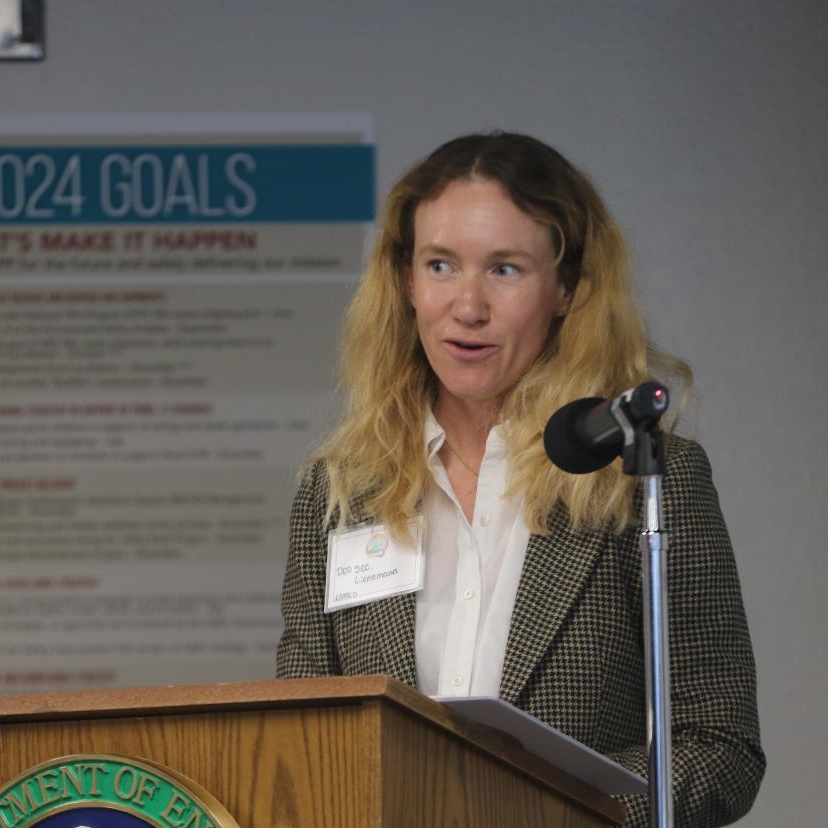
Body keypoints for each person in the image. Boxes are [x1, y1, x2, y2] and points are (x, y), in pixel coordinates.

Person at [276, 131, 765, 827]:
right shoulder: (338, 493)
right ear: (406, 280)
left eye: (505, 270)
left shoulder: (644, 478)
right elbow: (305, 740)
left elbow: (721, 748)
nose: (467, 307)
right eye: (441, 265)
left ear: (565, 288)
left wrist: (538, 813)